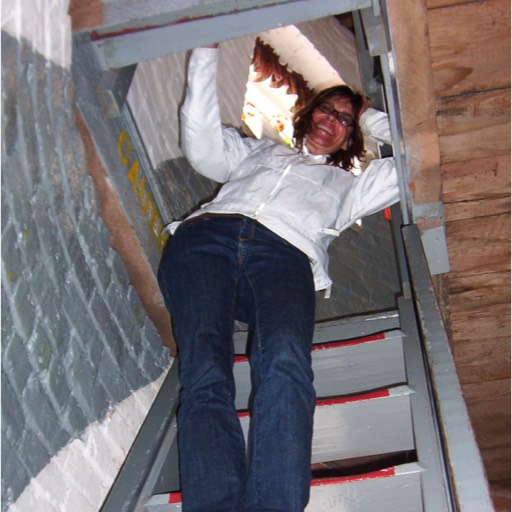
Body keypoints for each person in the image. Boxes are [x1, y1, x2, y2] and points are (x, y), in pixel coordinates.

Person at [157, 44, 399, 512]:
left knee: (285, 361)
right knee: (205, 368)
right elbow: (199, 135)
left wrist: (368, 114)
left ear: (351, 137)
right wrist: (206, 49)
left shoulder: (350, 186)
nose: (332, 119)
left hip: (283, 259)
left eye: (344, 119)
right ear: (309, 113)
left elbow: (414, 156)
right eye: (327, 108)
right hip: (206, 242)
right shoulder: (255, 151)